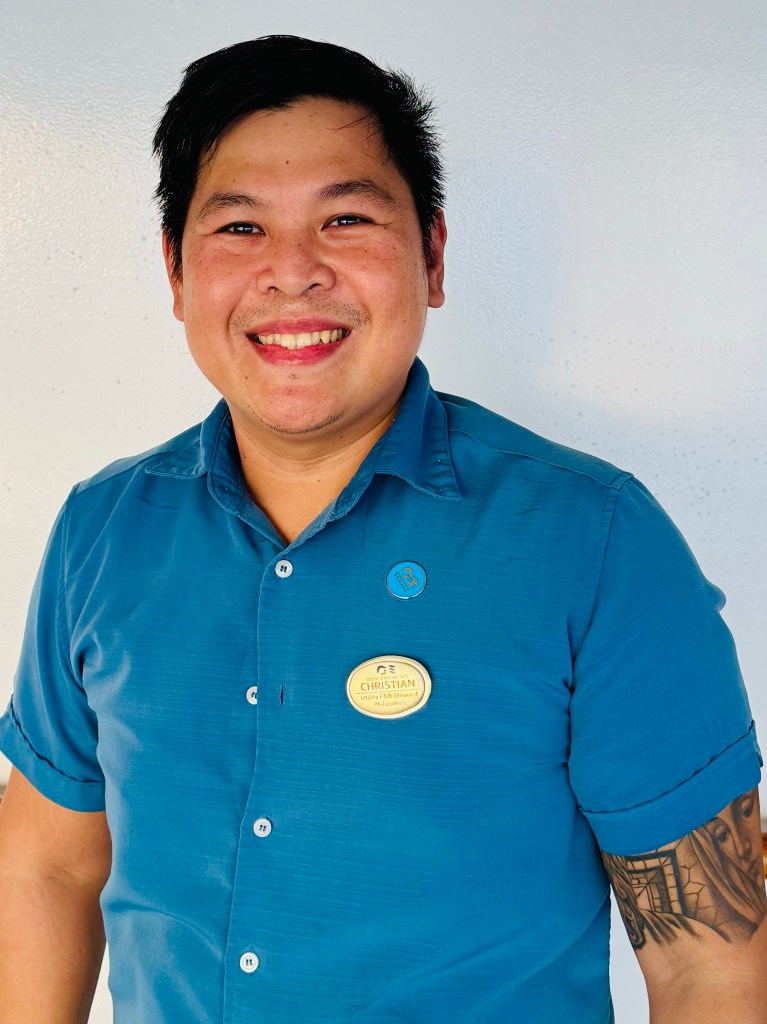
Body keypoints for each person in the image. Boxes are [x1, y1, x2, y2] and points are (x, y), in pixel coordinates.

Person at [0, 34, 764, 1024]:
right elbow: (49, 868)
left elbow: (712, 963)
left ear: (431, 255)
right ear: (176, 271)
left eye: (346, 218)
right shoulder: (104, 532)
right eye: (239, 227)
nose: (292, 273)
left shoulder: (595, 543)